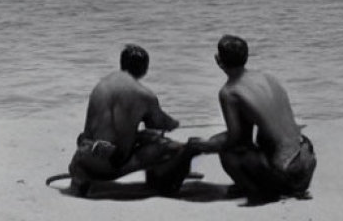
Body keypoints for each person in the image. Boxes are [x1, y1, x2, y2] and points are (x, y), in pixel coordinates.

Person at [191, 35, 316, 204]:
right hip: (306, 160)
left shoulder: (229, 92)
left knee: (228, 150)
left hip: (287, 174)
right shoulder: (266, 76)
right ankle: (276, 184)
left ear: (218, 60)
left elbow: (236, 139)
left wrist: (205, 146)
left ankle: (258, 190)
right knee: (265, 135)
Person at [66, 44, 200, 197]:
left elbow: (110, 129)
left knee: (140, 137)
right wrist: (173, 123)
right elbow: (158, 123)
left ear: (122, 63)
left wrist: (139, 135)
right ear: (144, 68)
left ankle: (82, 177)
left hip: (85, 157)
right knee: (175, 147)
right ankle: (162, 184)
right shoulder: (144, 94)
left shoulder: (102, 85)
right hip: (110, 165)